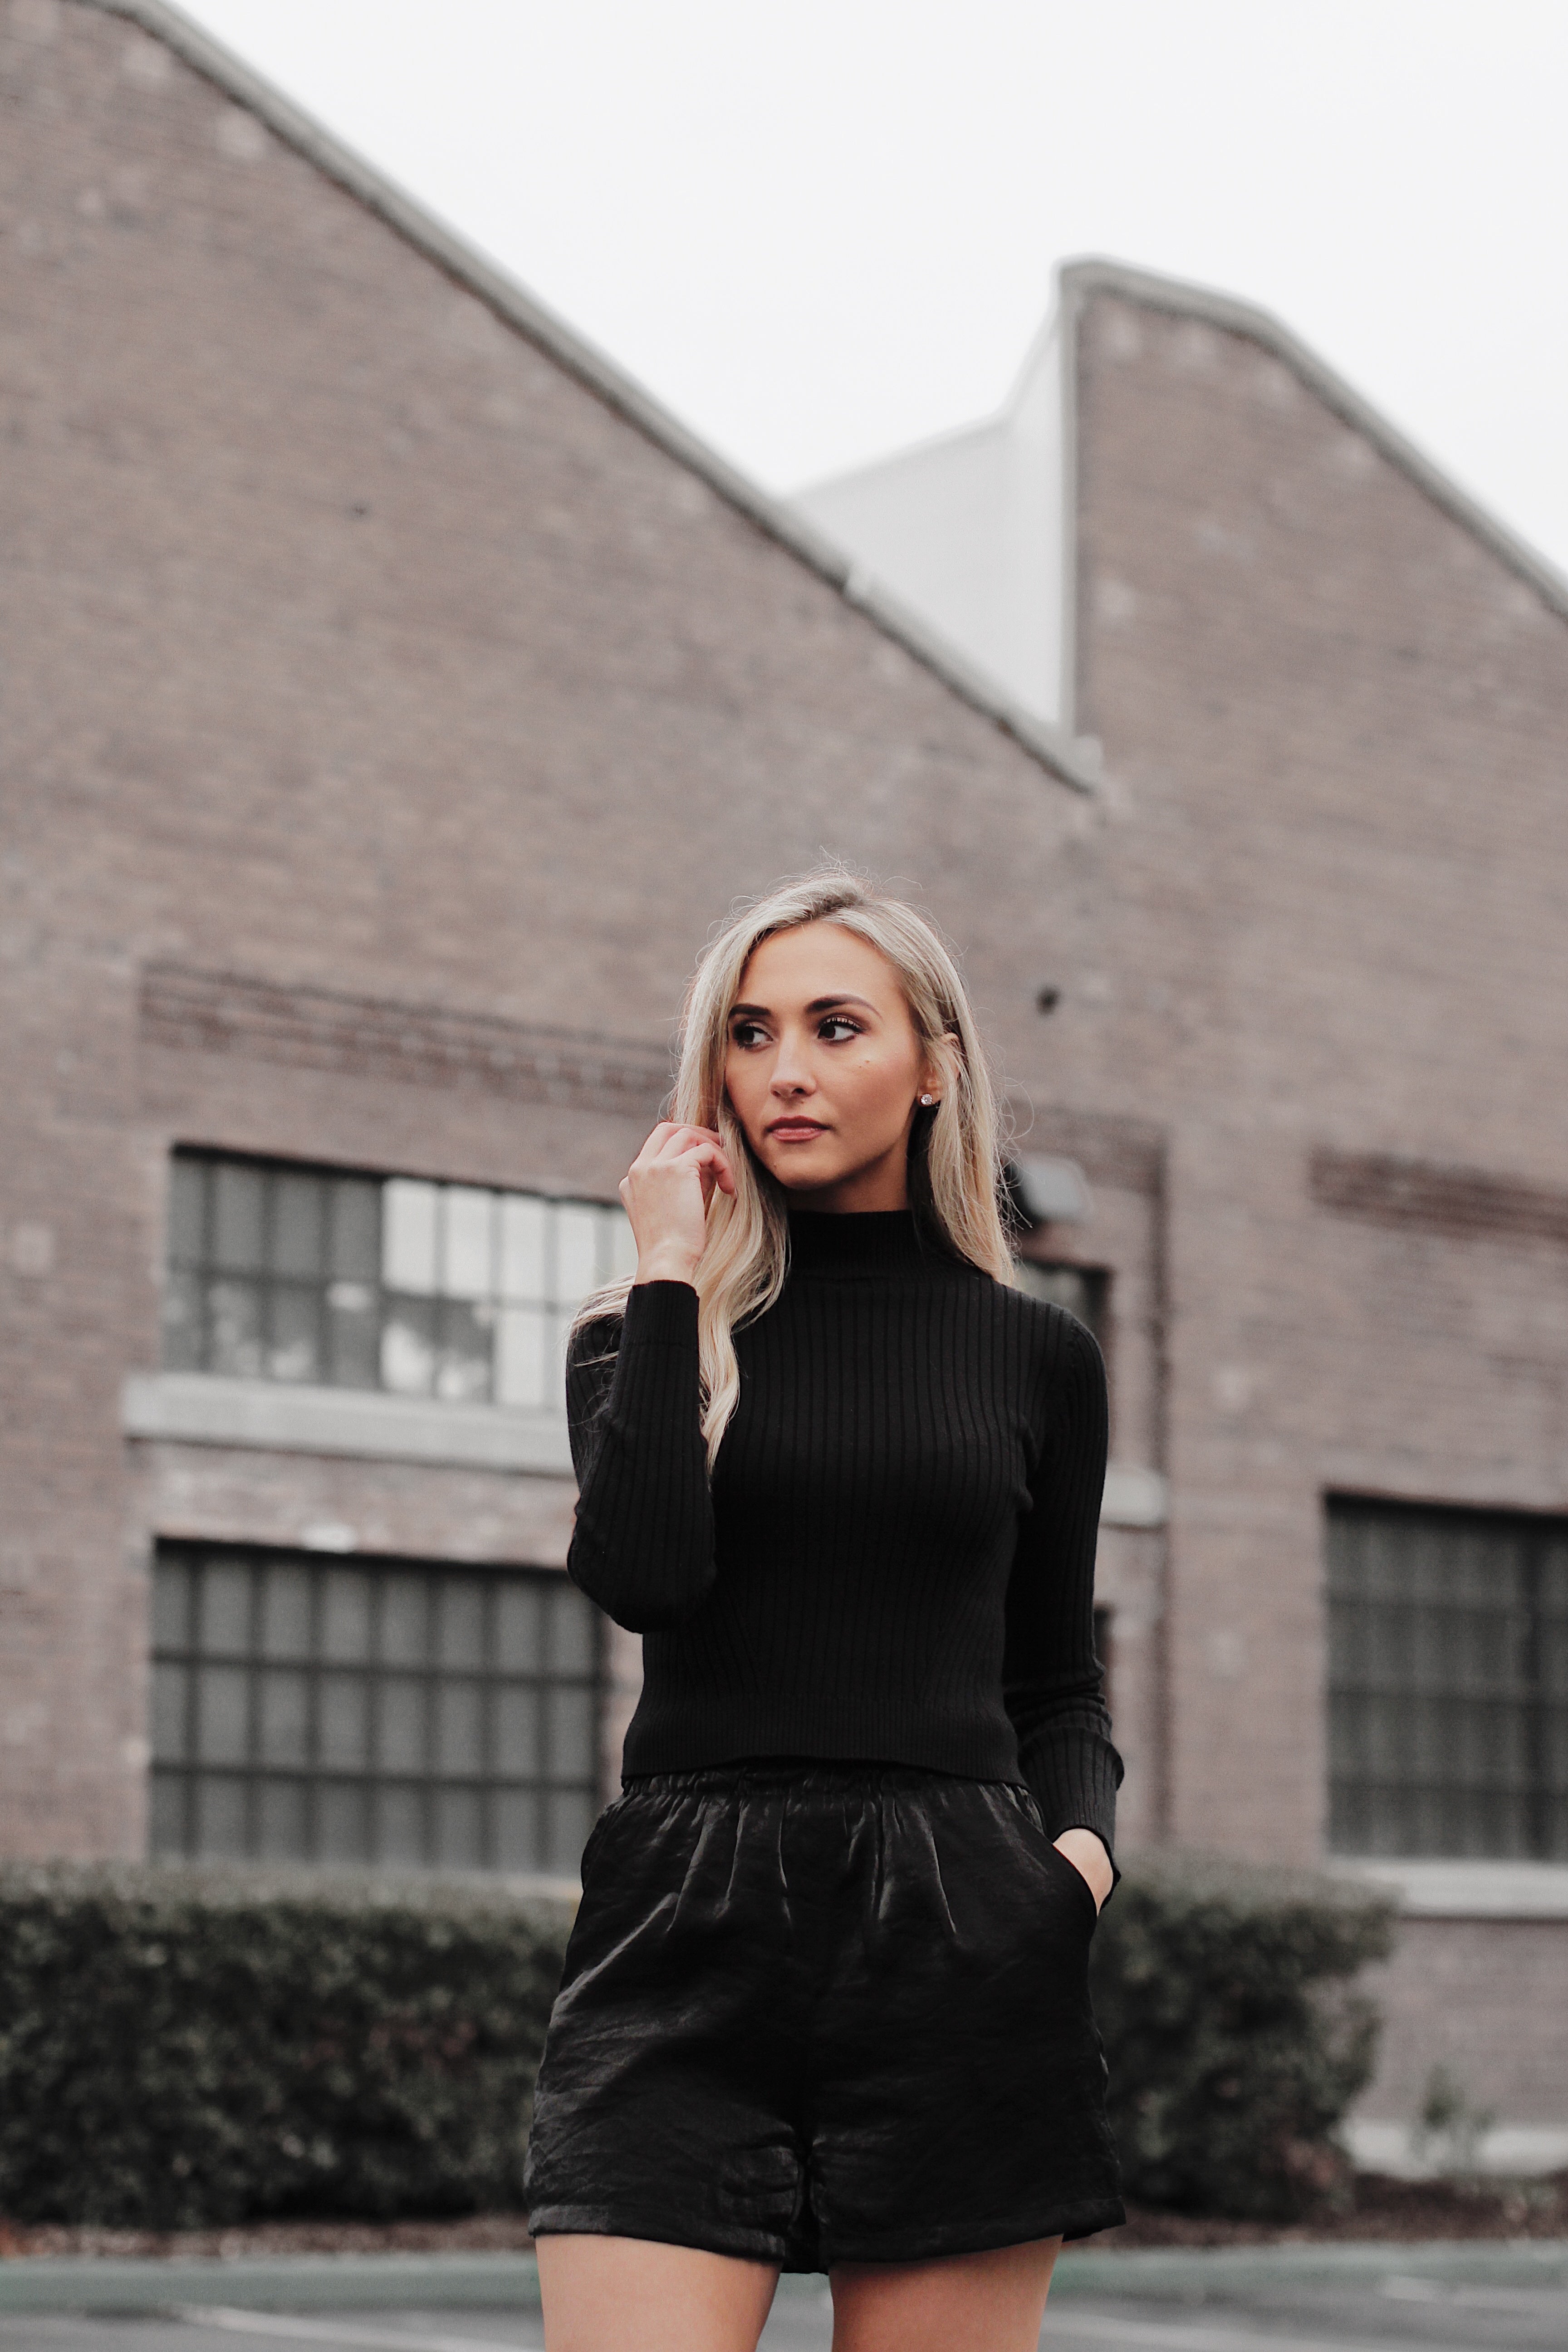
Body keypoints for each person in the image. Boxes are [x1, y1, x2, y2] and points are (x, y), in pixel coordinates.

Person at [524, 872, 1122, 2352]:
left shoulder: (1038, 1357)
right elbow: (646, 1581)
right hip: (684, 1925)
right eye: (750, 1033)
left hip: (963, 1934)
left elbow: (1055, 1678)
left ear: (934, 1066)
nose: (783, 1068)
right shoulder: (638, 1337)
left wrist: (1076, 1868)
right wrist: (671, 1273)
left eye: (835, 1026)